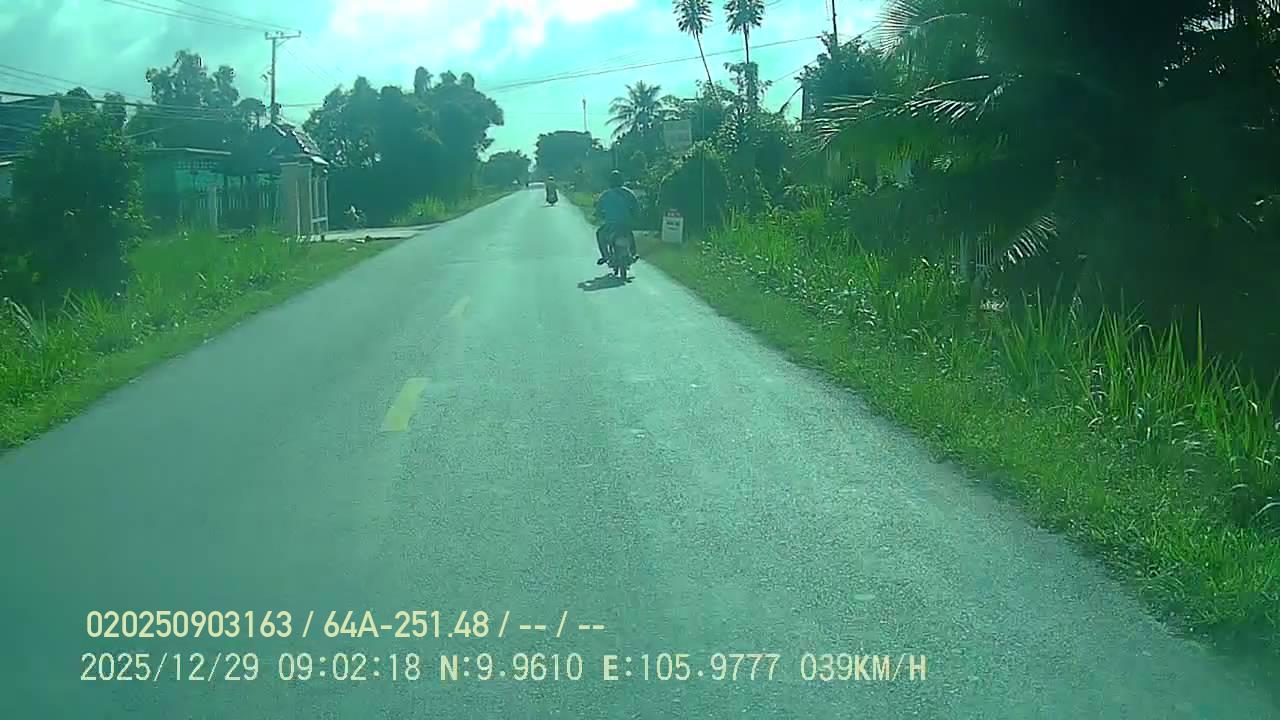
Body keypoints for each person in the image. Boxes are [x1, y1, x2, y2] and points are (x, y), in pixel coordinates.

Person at [594, 170, 640, 265]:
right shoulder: (629, 193)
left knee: (600, 234)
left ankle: (605, 256)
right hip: (625, 224)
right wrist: (634, 217)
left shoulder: (605, 195)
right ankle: (633, 254)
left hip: (611, 225)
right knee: (630, 234)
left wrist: (599, 216)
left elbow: (598, 210)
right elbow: (636, 207)